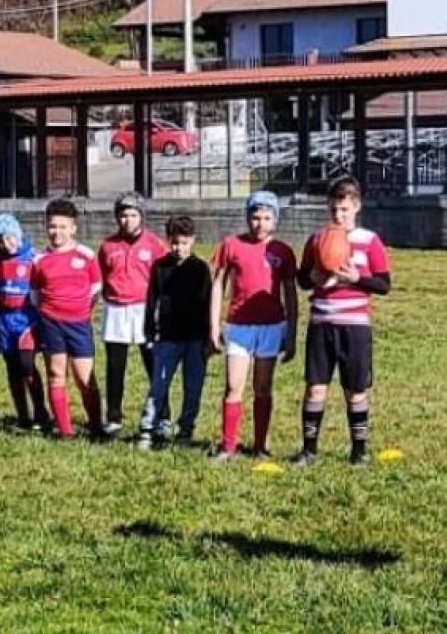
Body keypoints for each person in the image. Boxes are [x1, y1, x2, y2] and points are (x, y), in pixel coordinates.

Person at [294, 177, 391, 467]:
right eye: (335, 209)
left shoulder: (369, 241)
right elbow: (301, 280)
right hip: (322, 322)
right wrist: (311, 278)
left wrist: (357, 279)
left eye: (345, 209)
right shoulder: (317, 239)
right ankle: (309, 450)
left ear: (357, 207)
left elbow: (384, 285)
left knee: (355, 390)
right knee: (315, 387)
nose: (339, 215)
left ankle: (358, 451)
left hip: (355, 326)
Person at [209, 191, 298, 462]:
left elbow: (290, 293)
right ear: (247, 217)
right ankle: (228, 446)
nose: (260, 223)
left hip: (271, 327)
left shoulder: (281, 251)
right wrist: (214, 325)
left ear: (275, 220)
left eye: (267, 217)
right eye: (255, 217)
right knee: (233, 385)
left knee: (263, 387)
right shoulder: (231, 245)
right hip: (239, 327)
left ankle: (260, 446)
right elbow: (218, 285)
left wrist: (291, 332)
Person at [136, 215, 213, 449]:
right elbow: (151, 301)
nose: (180, 248)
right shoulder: (160, 267)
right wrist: (150, 331)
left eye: (185, 243)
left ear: (193, 241)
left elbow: (209, 303)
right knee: (158, 384)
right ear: (169, 241)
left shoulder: (200, 268)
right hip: (168, 337)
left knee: (193, 386)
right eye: (175, 243)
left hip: (195, 339)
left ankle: (185, 429)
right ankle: (148, 427)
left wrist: (210, 337)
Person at [30, 199, 104, 440]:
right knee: (56, 373)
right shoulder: (39, 260)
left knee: (85, 378)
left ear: (73, 227)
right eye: (52, 226)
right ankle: (65, 431)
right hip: (51, 324)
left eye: (62, 226)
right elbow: (35, 295)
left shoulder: (86, 256)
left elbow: (95, 289)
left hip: (79, 325)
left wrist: (81, 311)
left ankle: (96, 428)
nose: (56, 232)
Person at [98, 194, 169, 435]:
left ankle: (162, 416)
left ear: (142, 216)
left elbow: (164, 280)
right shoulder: (107, 246)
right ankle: (114, 417)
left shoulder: (155, 245)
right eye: (123, 215)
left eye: (132, 215)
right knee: (115, 366)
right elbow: (102, 277)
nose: (127, 220)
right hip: (116, 310)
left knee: (154, 365)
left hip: (144, 310)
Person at [0, 213, 46, 429]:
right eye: (0, 241)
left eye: (9, 238)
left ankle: (41, 412)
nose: (6, 244)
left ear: (18, 234)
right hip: (5, 320)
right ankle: (23, 415)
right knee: (12, 368)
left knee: (26, 365)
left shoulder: (33, 257)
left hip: (26, 318)